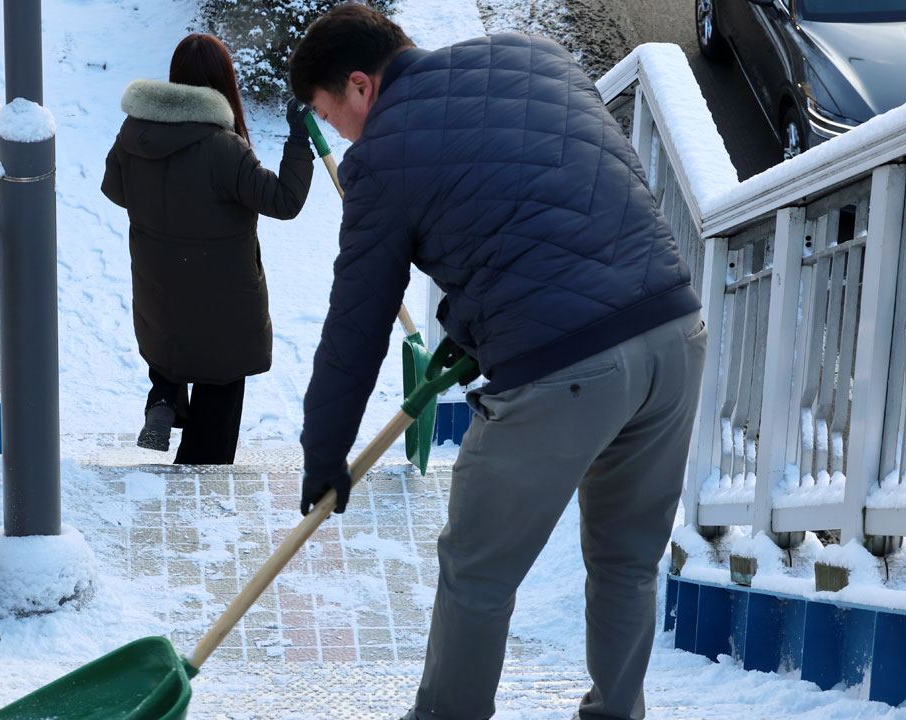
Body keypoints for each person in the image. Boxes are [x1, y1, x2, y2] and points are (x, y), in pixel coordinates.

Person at [288, 6, 707, 720]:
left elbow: (356, 325)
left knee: (476, 572)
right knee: (627, 563)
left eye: (332, 117)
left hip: (565, 369)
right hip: (674, 333)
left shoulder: (382, 157)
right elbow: (563, 197)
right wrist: (477, 321)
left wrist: (324, 451)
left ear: (361, 86)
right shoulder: (533, 57)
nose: (342, 135)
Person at [102, 33, 314, 465]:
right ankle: (195, 494)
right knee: (218, 393)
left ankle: (163, 398)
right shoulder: (225, 149)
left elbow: (115, 189)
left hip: (159, 290)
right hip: (223, 304)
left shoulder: (133, 132)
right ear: (222, 83)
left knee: (171, 348)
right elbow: (283, 202)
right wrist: (297, 139)